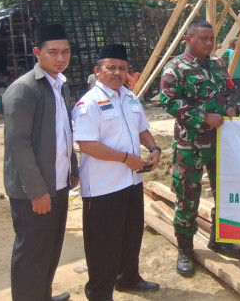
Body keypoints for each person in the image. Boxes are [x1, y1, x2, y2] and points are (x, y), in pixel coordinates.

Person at [73, 44, 161, 300]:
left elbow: (142, 128)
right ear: (98, 71)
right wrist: (125, 159)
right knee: (103, 243)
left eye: (122, 68)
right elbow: (87, 144)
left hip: (131, 181)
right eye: (111, 68)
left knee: (131, 234)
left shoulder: (130, 97)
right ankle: (99, 292)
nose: (118, 73)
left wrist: (154, 148)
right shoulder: (89, 104)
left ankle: (129, 278)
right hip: (103, 187)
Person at [3, 23, 77, 301]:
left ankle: (42, 295)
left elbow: (63, 131)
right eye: (53, 52)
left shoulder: (60, 85)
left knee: (50, 247)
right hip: (33, 190)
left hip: (57, 183)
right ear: (37, 52)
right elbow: (18, 144)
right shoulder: (24, 89)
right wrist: (36, 191)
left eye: (66, 52)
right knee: (31, 252)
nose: (61, 58)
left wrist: (73, 166)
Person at [160, 20, 239, 277]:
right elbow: (169, 100)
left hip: (219, 142)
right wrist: (203, 117)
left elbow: (230, 90)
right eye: (203, 38)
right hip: (189, 144)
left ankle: (220, 238)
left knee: (224, 191)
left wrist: (230, 107)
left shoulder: (217, 64)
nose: (208, 43)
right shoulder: (176, 67)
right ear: (188, 39)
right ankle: (185, 250)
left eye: (211, 38)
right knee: (188, 197)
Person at [222, 36, 240, 116]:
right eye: (235, 41)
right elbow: (221, 53)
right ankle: (232, 111)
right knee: (230, 95)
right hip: (231, 76)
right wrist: (221, 46)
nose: (237, 42)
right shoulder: (230, 51)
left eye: (238, 41)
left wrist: (238, 50)